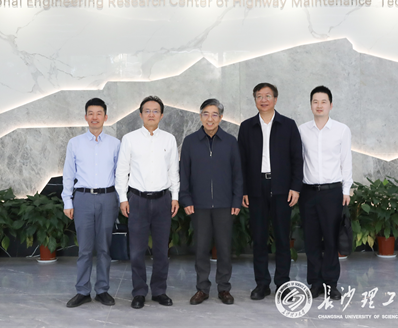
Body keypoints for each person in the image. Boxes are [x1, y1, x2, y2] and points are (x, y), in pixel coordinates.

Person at [237, 83, 303, 300]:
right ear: (255, 100)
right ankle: (262, 284)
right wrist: (244, 190)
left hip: (282, 188)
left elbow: (297, 158)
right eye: (259, 96)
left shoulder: (288, 125)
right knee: (259, 238)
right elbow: (241, 162)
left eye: (267, 96)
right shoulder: (247, 127)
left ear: (275, 99)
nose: (263, 100)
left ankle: (283, 284)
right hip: (256, 188)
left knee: (283, 238)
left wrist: (295, 187)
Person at [115, 95, 180, 309]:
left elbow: (173, 170)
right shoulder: (129, 139)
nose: (151, 114)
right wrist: (123, 198)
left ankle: (159, 291)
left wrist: (175, 196)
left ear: (161, 115)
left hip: (163, 200)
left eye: (155, 111)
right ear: (141, 114)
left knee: (161, 250)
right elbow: (122, 170)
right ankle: (139, 292)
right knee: (137, 251)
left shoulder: (169, 139)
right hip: (137, 200)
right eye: (147, 111)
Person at [179, 99, 243, 306]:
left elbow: (238, 174)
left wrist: (236, 200)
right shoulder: (190, 142)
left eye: (214, 114)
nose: (210, 118)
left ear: (221, 118)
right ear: (200, 116)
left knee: (224, 248)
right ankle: (202, 288)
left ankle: (224, 288)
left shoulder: (230, 142)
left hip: (225, 205)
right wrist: (186, 199)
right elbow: (184, 173)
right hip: (199, 205)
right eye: (206, 114)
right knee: (201, 249)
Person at [61, 98, 121, 308]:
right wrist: (67, 201)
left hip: (107, 197)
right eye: (91, 113)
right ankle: (82, 291)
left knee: (104, 248)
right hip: (83, 198)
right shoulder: (75, 143)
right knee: (85, 249)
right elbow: (68, 174)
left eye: (99, 113)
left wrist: (121, 200)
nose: (95, 117)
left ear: (106, 117)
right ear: (86, 117)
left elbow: (120, 175)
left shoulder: (115, 144)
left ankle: (102, 290)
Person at [298, 85, 353, 301]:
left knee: (331, 240)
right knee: (311, 240)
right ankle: (315, 283)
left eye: (323, 102)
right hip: (308, 192)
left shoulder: (341, 130)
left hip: (332, 192)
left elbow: (346, 161)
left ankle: (331, 284)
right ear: (310, 105)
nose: (319, 105)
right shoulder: (302, 130)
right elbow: (298, 161)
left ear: (331, 105)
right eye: (315, 101)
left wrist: (346, 189)